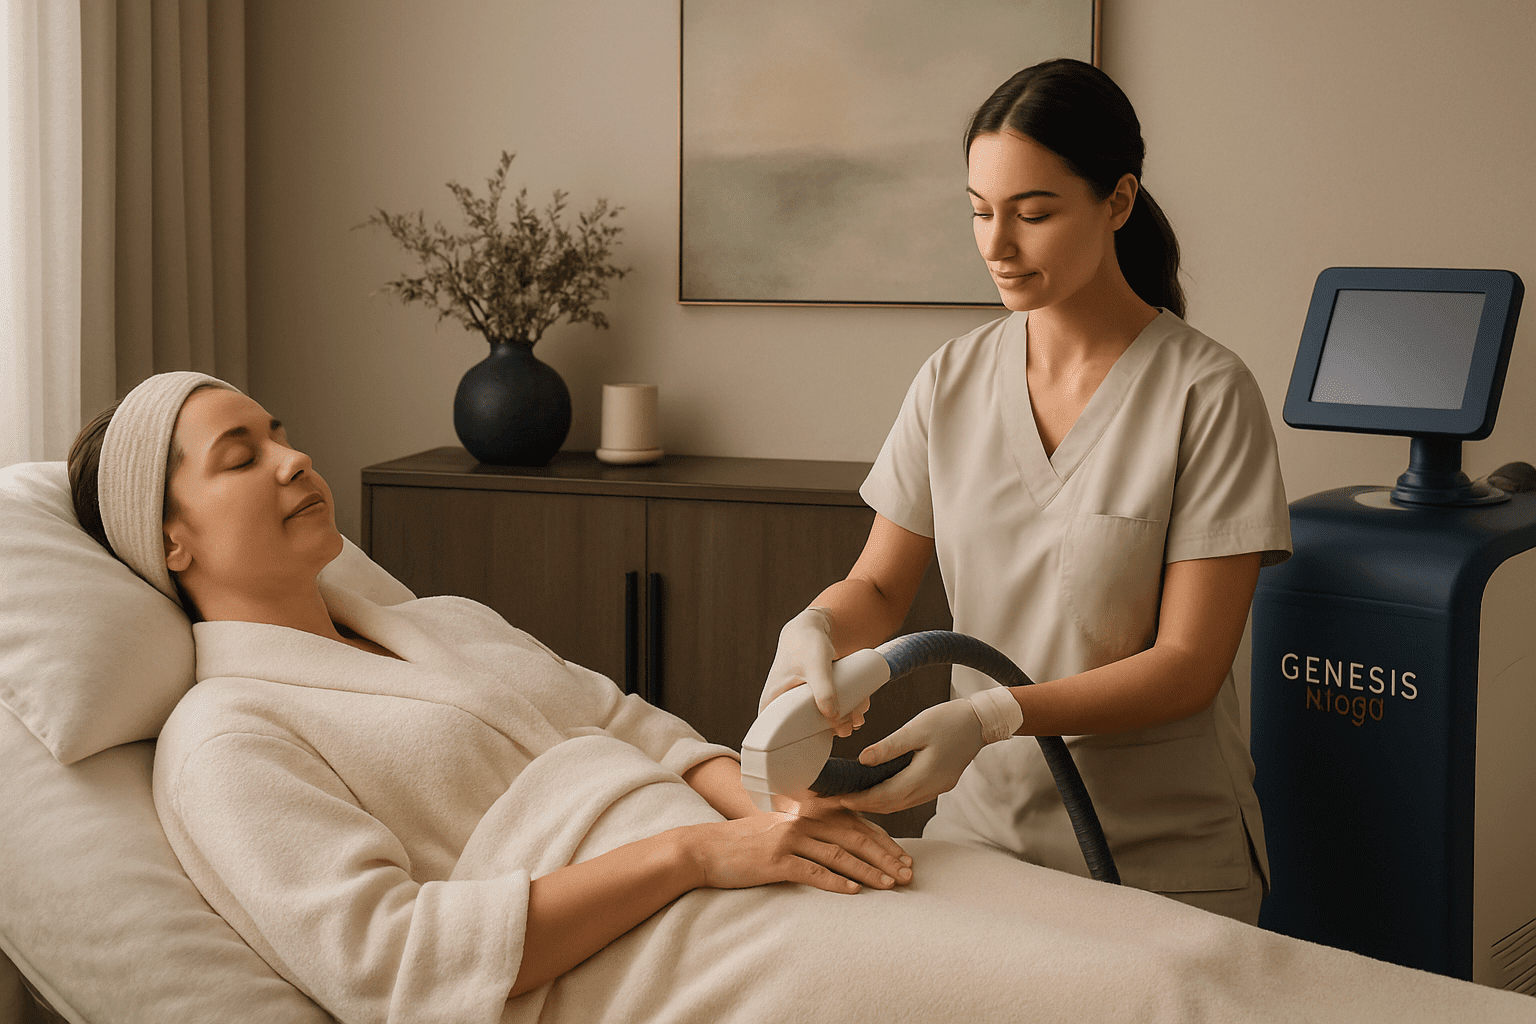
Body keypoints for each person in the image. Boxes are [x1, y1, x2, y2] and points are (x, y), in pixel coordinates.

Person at [760, 58, 1292, 925]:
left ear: (1117, 202)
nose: (995, 246)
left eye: (1032, 214)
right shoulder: (952, 379)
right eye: (978, 211)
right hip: (983, 845)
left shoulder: (1205, 394)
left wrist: (992, 716)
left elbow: (1189, 667)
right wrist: (817, 624)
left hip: (1161, 864)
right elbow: (882, 586)